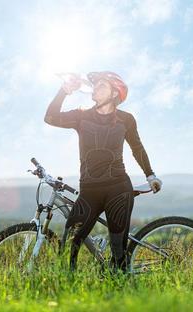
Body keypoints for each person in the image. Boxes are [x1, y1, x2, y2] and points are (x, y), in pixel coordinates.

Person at [43, 71, 162, 273]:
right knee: (71, 242)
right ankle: (67, 289)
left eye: (102, 86)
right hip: (89, 191)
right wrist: (64, 91)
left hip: (118, 189)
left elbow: (137, 148)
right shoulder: (81, 116)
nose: (95, 88)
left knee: (118, 250)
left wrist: (150, 175)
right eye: (95, 85)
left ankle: (120, 290)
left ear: (115, 93)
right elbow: (50, 117)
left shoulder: (126, 119)